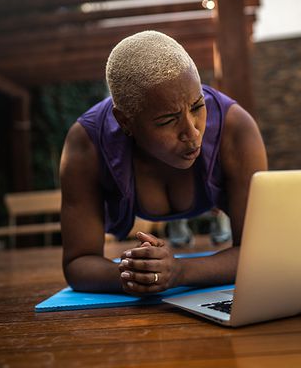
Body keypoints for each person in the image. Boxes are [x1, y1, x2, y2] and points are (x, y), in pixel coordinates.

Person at [60, 31, 267, 296]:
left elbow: (258, 253)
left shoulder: (236, 129)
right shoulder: (87, 144)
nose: (192, 134)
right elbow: (78, 263)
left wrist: (180, 272)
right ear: (125, 122)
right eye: (167, 121)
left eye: (197, 106)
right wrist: (142, 273)